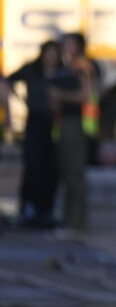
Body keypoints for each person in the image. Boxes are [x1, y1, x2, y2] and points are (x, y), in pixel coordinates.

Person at [0, 40, 61, 228]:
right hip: (35, 121)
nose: (51, 58)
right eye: (48, 53)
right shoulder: (31, 70)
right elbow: (8, 81)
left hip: (53, 124)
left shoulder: (61, 72)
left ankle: (45, 209)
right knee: (32, 165)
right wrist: (20, 100)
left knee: (50, 168)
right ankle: (28, 207)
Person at [49, 32, 100, 236]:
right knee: (67, 175)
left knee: (75, 176)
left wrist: (60, 95)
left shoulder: (83, 67)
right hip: (64, 124)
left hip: (77, 125)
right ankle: (68, 221)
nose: (67, 48)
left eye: (70, 44)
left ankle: (76, 224)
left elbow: (86, 95)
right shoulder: (66, 68)